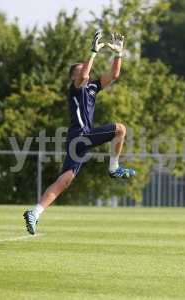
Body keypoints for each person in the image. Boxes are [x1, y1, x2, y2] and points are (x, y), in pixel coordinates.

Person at [23, 31, 136, 235]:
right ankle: (113, 168)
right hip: (80, 135)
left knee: (64, 180)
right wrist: (93, 52)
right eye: (82, 70)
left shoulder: (92, 87)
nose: (87, 73)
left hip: (79, 139)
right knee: (120, 128)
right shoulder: (75, 87)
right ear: (73, 77)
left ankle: (34, 212)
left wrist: (119, 53)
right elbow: (84, 74)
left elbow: (114, 75)